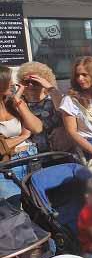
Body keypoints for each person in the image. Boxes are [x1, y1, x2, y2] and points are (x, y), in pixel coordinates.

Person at [0, 66, 43, 205]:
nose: (13, 84)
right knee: (14, 209)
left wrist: (18, 100)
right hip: (5, 165)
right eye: (9, 81)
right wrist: (23, 137)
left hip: (30, 159)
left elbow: (37, 128)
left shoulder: (13, 103)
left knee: (38, 208)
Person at [16, 61, 64, 154]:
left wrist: (49, 87)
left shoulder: (53, 99)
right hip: (31, 154)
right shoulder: (19, 102)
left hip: (57, 151)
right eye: (27, 82)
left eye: (35, 82)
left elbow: (63, 108)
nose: (30, 85)